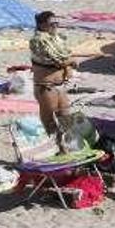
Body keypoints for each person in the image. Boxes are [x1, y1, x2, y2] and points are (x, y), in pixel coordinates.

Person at [29, 11, 76, 147]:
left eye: (57, 22)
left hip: (59, 84)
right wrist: (69, 63)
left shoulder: (55, 38)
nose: (55, 25)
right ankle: (57, 147)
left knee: (66, 117)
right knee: (50, 120)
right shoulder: (38, 40)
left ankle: (68, 147)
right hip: (46, 85)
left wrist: (68, 63)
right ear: (42, 25)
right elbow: (55, 60)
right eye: (52, 23)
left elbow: (65, 55)